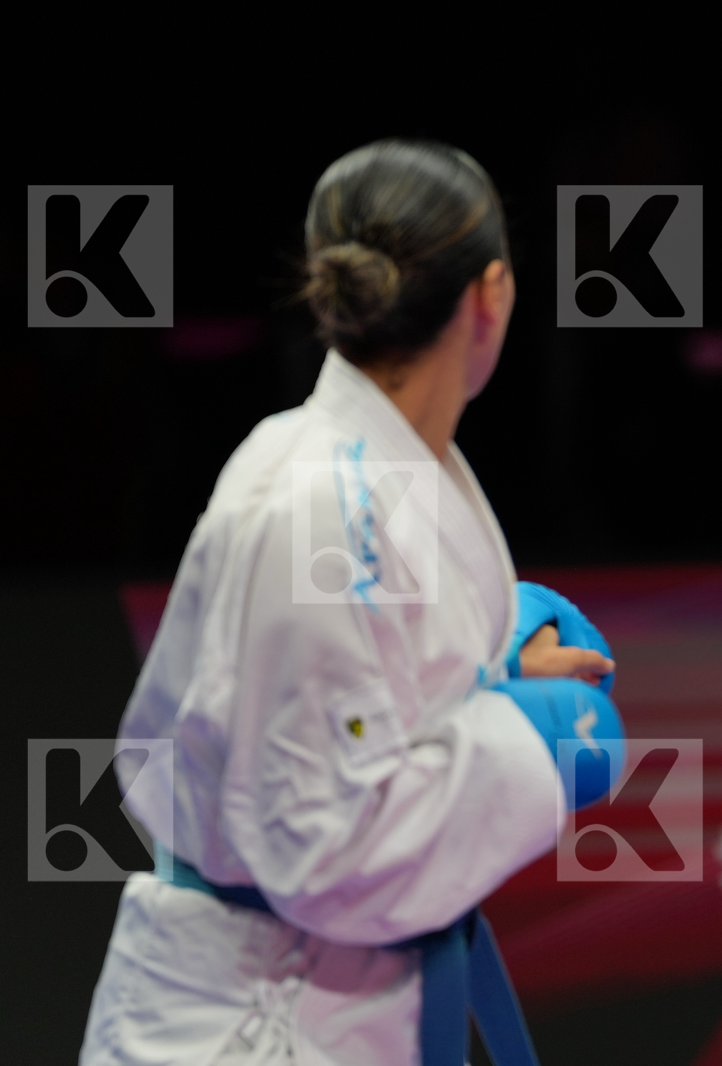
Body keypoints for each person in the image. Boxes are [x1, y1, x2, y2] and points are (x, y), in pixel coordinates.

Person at [80, 139, 622, 1066]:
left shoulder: (384, 469)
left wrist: (495, 674)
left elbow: (354, 716)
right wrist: (522, 735)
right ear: (491, 294)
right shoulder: (313, 503)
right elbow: (318, 846)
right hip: (247, 1021)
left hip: (347, 998)